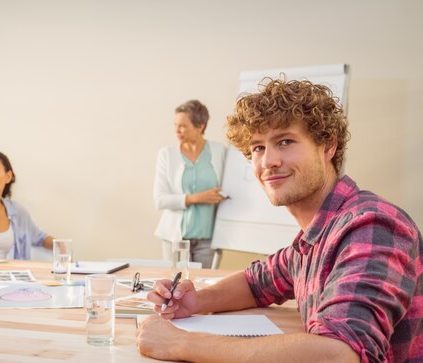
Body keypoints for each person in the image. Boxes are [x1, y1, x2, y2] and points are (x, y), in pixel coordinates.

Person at [138, 79, 422, 362]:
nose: (268, 161)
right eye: (258, 148)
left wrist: (181, 344)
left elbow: (339, 355)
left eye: (285, 142)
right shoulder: (316, 236)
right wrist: (199, 300)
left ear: (328, 146)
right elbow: (257, 282)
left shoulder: (372, 226)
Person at [153, 100, 227, 268]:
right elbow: (160, 200)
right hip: (175, 238)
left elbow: (228, 189)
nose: (177, 130)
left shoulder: (219, 151)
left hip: (208, 240)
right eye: (175, 124)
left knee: (203, 289)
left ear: (200, 126)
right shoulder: (167, 154)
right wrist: (196, 198)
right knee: (175, 287)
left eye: (183, 126)